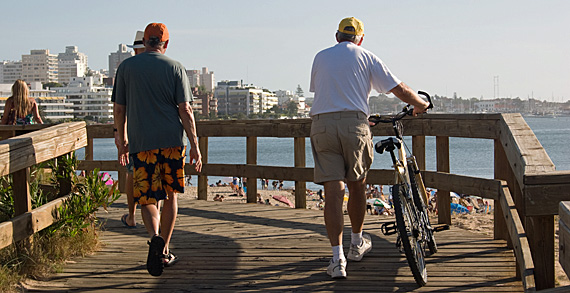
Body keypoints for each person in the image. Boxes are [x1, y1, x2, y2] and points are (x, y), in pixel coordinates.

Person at [309, 17, 429, 279]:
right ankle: (356, 244)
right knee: (357, 185)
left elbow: (326, 93)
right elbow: (399, 89)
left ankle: (337, 259)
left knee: (333, 190)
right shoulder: (366, 56)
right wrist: (421, 104)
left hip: (322, 124)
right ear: (360, 38)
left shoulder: (320, 57)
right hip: (354, 124)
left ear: (337, 36)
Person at [112, 23, 202, 277]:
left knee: (147, 197)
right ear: (166, 43)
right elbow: (185, 109)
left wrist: (122, 138)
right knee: (171, 195)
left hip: (142, 145)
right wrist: (195, 146)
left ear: (144, 41)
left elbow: (119, 110)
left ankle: (154, 238)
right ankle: (164, 249)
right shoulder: (175, 67)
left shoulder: (126, 68)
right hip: (172, 142)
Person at [115, 30, 146, 229]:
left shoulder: (127, 69)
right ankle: (153, 216)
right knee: (153, 175)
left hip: (134, 132)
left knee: (131, 174)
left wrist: (120, 133)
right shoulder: (159, 69)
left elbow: (119, 108)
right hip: (154, 133)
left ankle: (133, 216)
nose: (135, 53)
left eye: (137, 49)